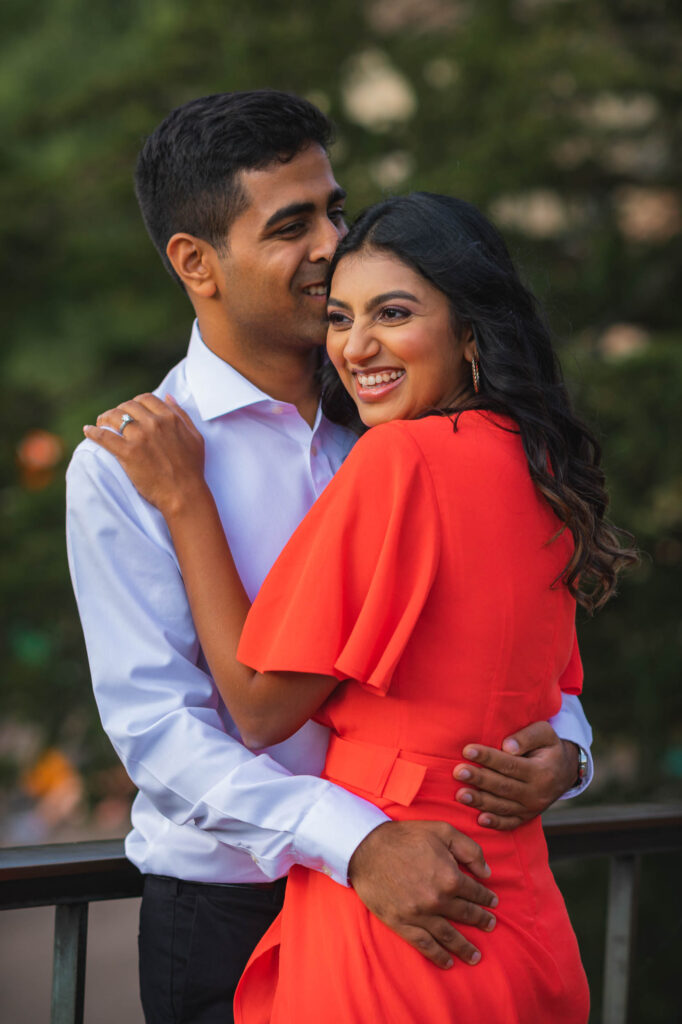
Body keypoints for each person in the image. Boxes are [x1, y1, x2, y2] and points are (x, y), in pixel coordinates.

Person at [67, 92, 594, 1023]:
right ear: (196, 262)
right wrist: (354, 842)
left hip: (441, 889)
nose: (331, 243)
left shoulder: (399, 408)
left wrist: (570, 754)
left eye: (335, 209)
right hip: (233, 908)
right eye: (291, 225)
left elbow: (510, 651)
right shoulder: (128, 464)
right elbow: (161, 732)